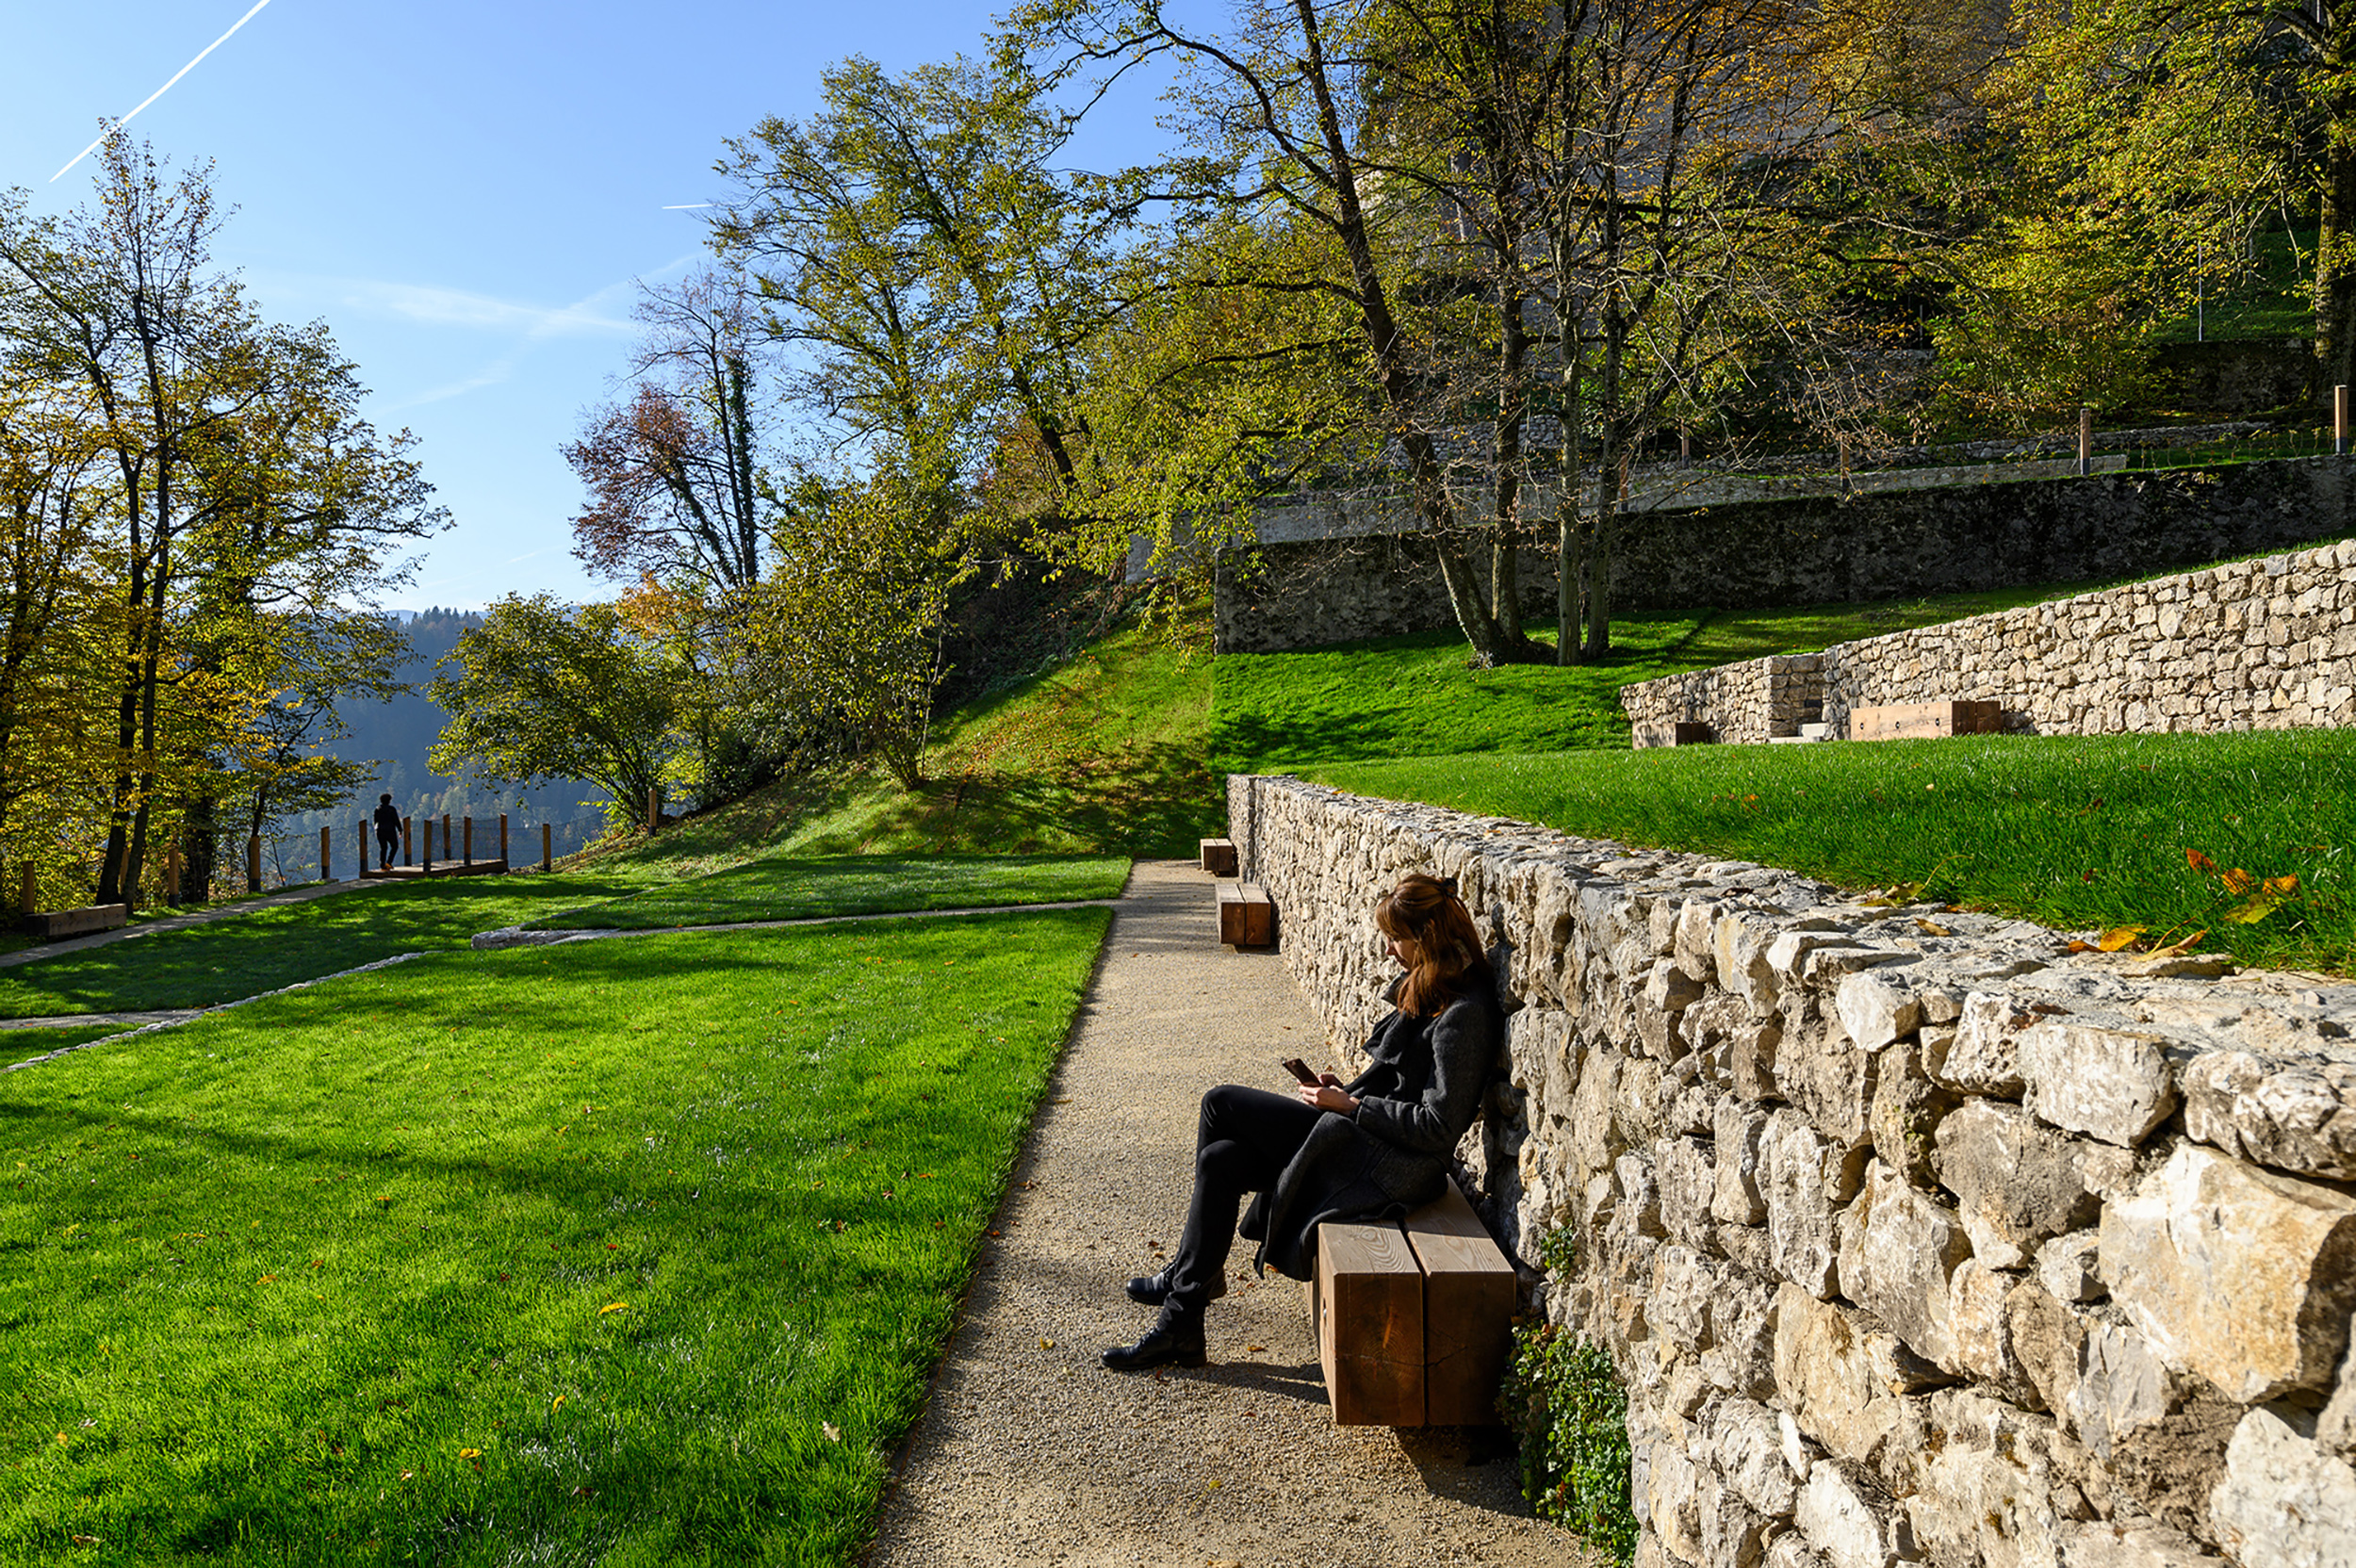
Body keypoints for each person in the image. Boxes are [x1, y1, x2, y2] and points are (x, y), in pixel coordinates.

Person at [1102, 872, 1504, 1372]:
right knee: (1220, 1160)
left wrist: (1351, 1107)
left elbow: (1440, 1126)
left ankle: (1189, 1283)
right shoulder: (1435, 986)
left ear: (1426, 939)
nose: (1387, 952)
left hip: (1389, 1163)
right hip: (1365, 1137)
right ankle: (1184, 1315)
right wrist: (1347, 1091)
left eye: (1395, 939)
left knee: (1220, 1103)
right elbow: (1399, 1085)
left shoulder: (1464, 1012)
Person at [372, 792, 401, 871]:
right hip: (390, 830)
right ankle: (389, 862)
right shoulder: (391, 809)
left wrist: (375, 829)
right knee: (394, 846)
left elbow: (375, 820)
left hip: (380, 830)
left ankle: (382, 865)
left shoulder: (377, 809)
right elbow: (396, 820)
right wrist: (400, 830)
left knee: (383, 848)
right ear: (389, 801)